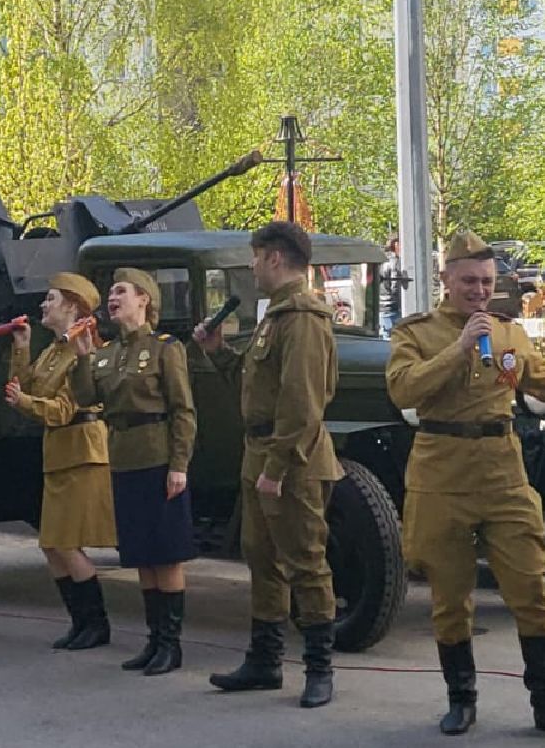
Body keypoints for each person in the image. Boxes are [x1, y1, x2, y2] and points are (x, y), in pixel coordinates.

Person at [386, 231, 545, 738]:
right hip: (442, 474)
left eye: (486, 282)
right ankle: (461, 699)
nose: (478, 290)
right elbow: (404, 389)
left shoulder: (511, 334)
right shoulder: (417, 333)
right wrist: (460, 348)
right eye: (468, 281)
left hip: (502, 472)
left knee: (531, 588)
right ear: (446, 280)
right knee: (451, 598)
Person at [196, 222, 343, 708]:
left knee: (305, 561)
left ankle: (320, 668)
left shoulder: (301, 316)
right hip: (261, 453)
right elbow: (257, 386)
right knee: (262, 557)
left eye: (256, 258)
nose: (253, 267)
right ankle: (264, 661)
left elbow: (302, 405)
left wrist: (276, 469)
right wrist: (219, 354)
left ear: (275, 259)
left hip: (293, 460)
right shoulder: (276, 316)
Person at [71, 267, 197, 676]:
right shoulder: (106, 353)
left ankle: (171, 644)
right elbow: (88, 397)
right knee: (141, 554)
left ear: (144, 298)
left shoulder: (165, 348)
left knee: (166, 554)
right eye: (110, 292)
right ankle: (153, 639)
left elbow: (183, 410)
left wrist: (179, 464)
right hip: (124, 458)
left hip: (158, 457)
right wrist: (83, 358)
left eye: (120, 291)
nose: (112, 298)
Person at [5, 273, 118, 651]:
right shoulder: (55, 349)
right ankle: (80, 621)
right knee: (51, 543)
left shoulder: (80, 352)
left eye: (51, 298)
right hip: (59, 452)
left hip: (81, 452)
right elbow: (30, 386)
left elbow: (63, 409)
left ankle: (96, 623)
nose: (43, 304)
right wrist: (21, 348)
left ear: (71, 306)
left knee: (66, 542)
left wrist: (23, 402)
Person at [379, 236, 405, 337]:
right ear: (396, 245)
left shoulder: (381, 260)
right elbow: (395, 286)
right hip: (392, 307)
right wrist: (399, 304)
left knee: (385, 337)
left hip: (382, 306)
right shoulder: (394, 261)